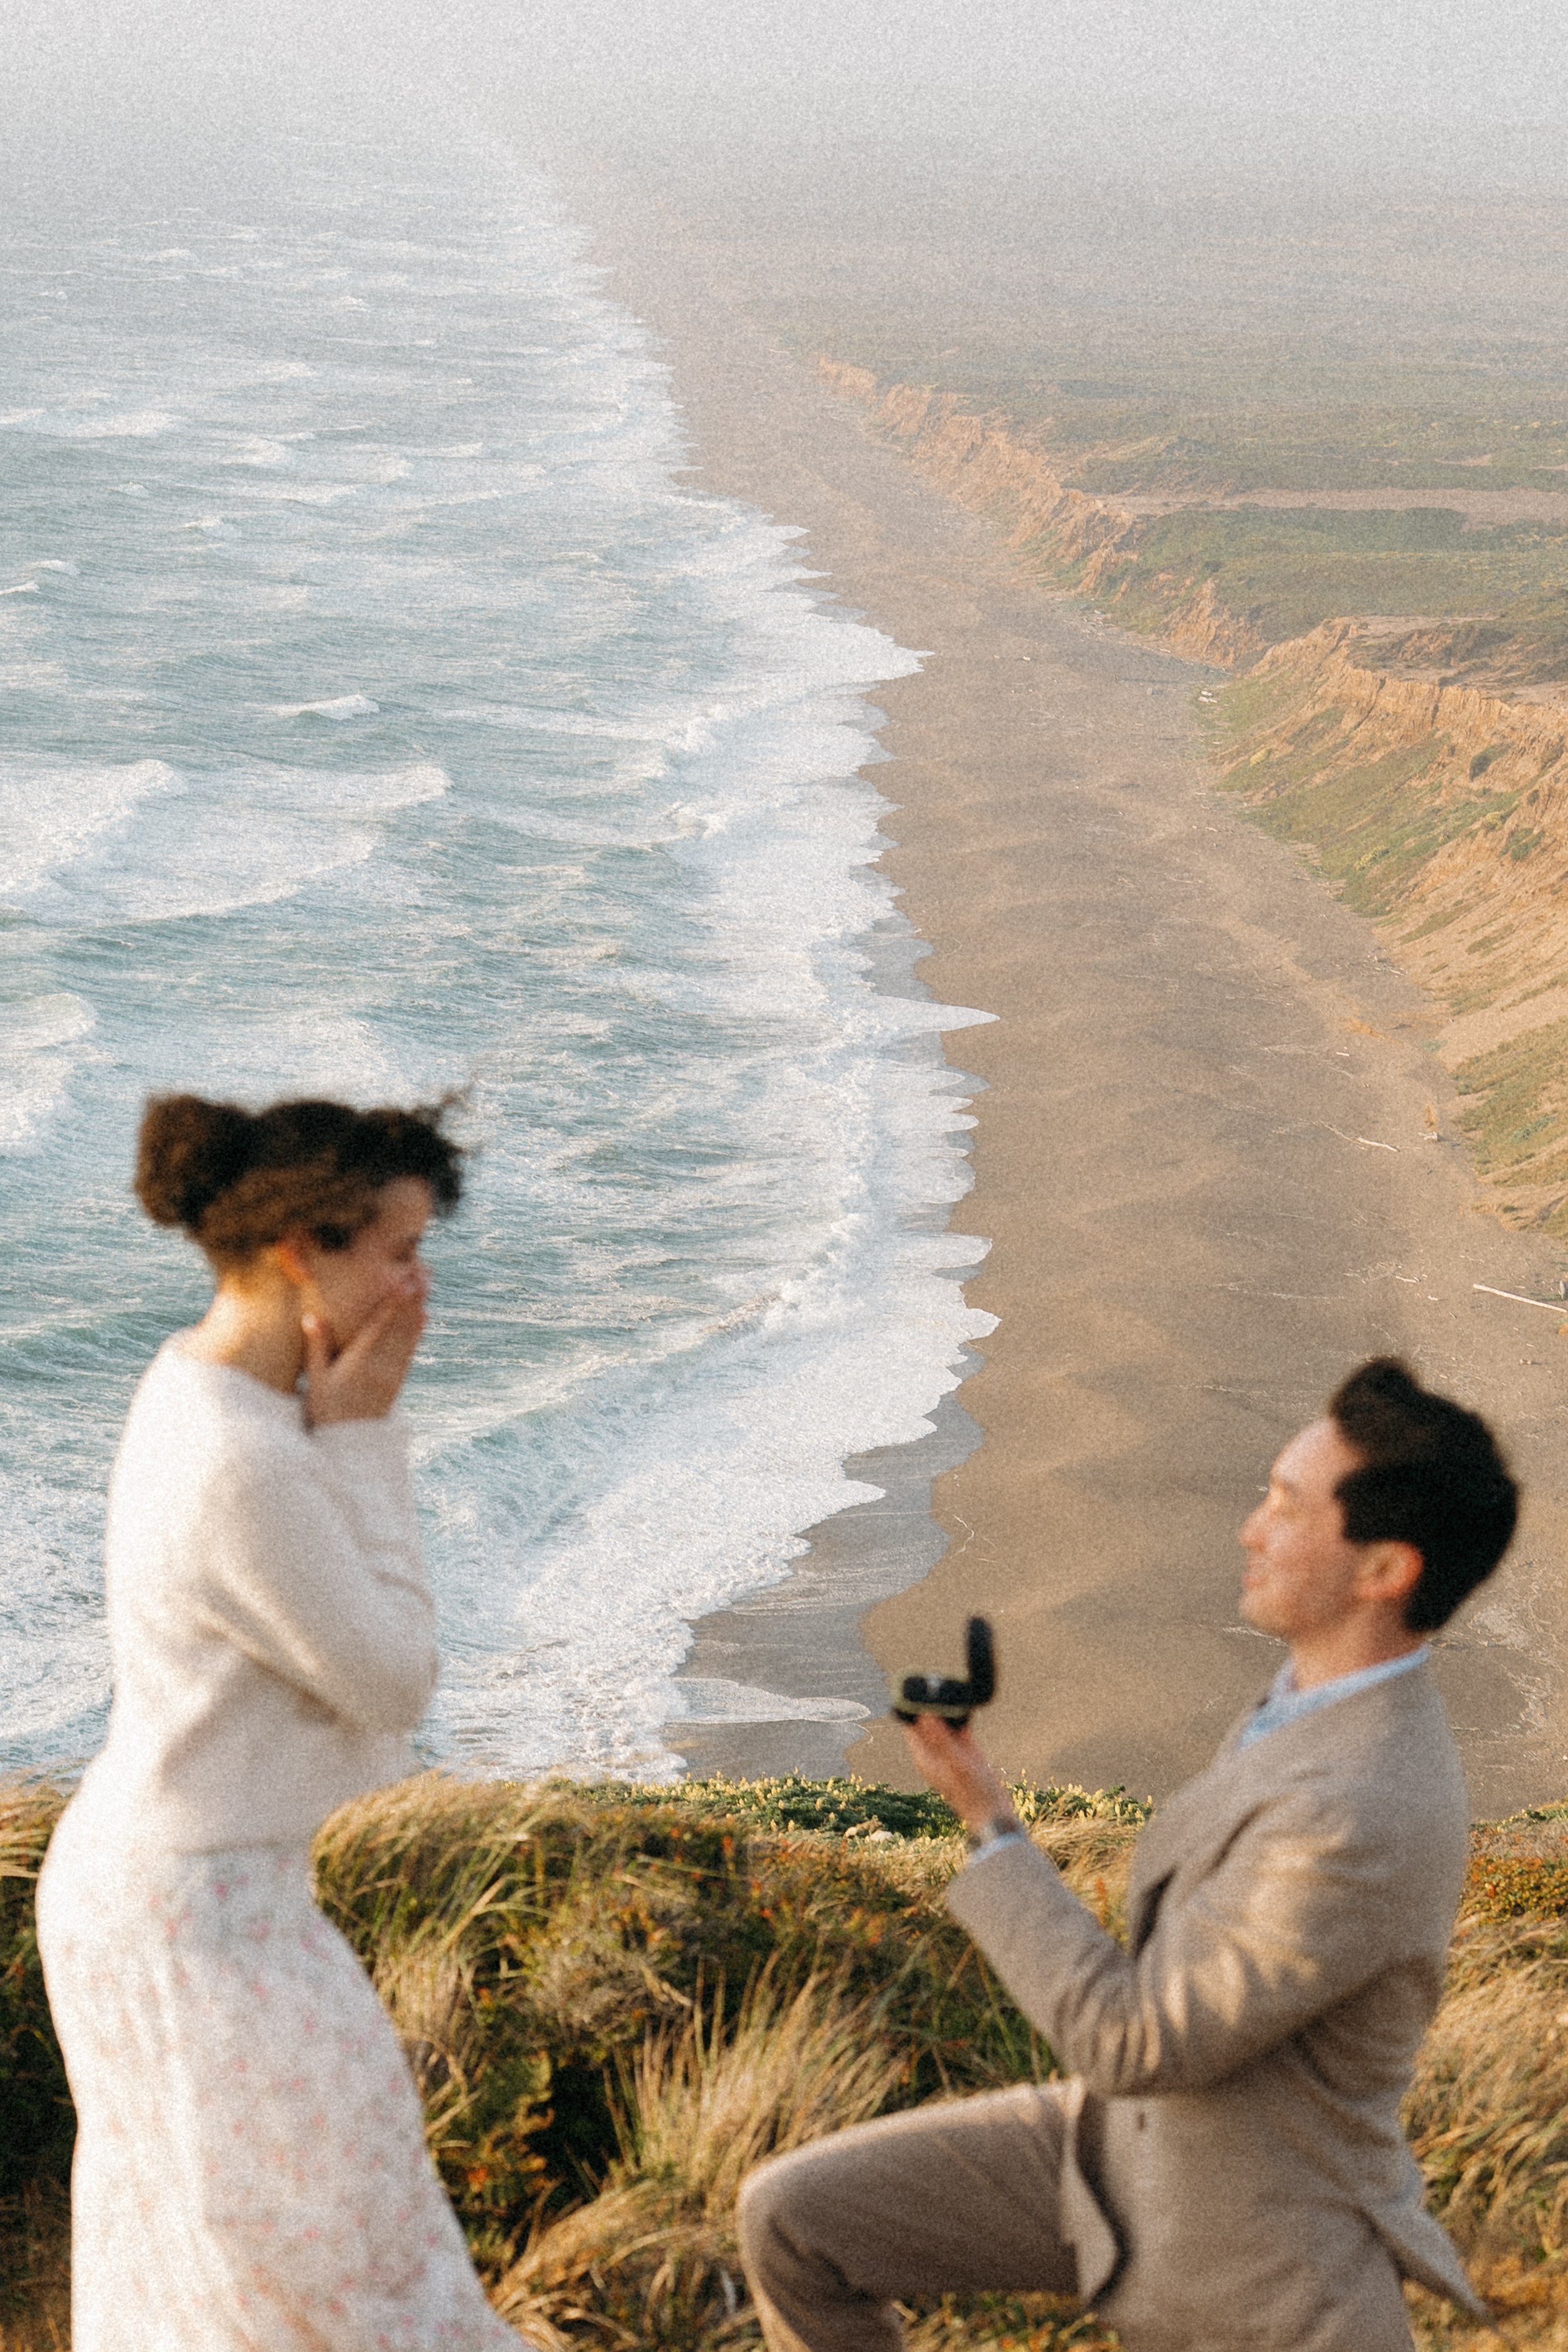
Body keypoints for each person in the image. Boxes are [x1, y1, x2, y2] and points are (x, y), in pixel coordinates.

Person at [738, 1359, 1519, 2352]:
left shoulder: (1360, 1806)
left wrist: (996, 1836)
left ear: (1382, 1571)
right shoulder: (1311, 1698)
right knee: (795, 2220)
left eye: (1286, 1505)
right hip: (1115, 2148)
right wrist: (978, 1790)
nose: (1251, 1528)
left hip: (1256, 2265)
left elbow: (1130, 2044)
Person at [36, 1092, 526, 2351]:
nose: (419, 1289)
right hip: (191, 1915)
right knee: (354, 2275)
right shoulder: (241, 1457)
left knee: (228, 2284)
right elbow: (392, 1676)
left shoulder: (212, 1396)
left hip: (185, 1893)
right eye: (400, 1253)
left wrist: (329, 1425)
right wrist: (365, 1441)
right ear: (303, 1249)